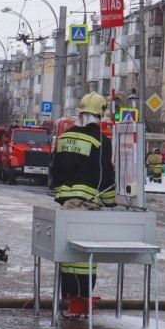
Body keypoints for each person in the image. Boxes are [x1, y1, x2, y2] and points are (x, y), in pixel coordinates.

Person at [51, 92, 116, 309]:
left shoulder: (64, 136)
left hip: (65, 205)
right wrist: (109, 201)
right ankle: (81, 299)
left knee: (66, 254)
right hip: (87, 206)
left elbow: (55, 170)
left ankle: (68, 296)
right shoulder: (100, 140)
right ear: (100, 115)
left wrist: (61, 194)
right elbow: (104, 174)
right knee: (85, 258)